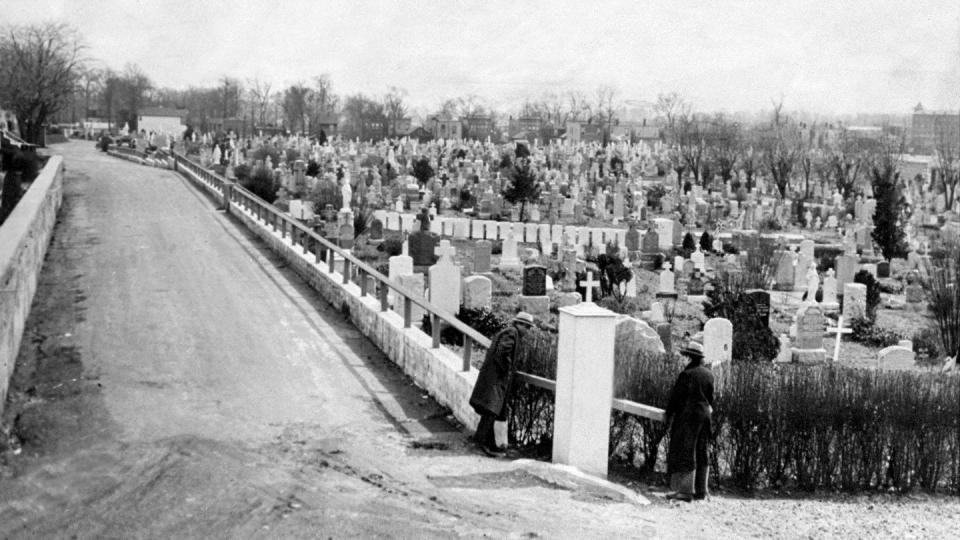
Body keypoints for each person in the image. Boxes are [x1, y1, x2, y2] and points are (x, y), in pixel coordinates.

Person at [468, 312, 535, 457]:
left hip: (494, 377)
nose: (527, 330)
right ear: (519, 324)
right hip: (496, 378)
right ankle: (482, 443)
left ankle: (488, 443)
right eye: (527, 327)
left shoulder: (510, 333)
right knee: (491, 410)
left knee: (491, 411)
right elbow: (503, 353)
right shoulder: (511, 333)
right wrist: (508, 369)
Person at [665, 338, 714, 502]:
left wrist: (669, 413)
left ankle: (685, 491)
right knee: (702, 450)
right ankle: (702, 490)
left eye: (685, 356)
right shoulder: (708, 374)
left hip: (690, 415)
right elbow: (710, 398)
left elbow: (676, 398)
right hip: (705, 415)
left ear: (689, 358)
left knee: (687, 450)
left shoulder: (686, 374)